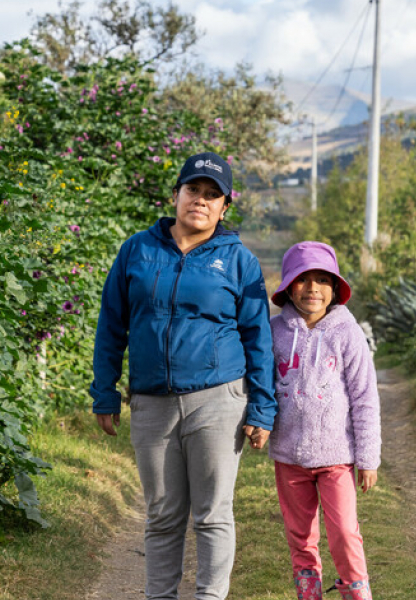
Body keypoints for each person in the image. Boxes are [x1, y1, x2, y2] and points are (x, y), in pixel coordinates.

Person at [89, 151, 277, 600]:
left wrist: (263, 408)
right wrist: (105, 392)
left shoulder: (239, 261)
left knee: (213, 513)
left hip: (219, 399)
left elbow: (259, 337)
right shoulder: (138, 249)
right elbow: (111, 323)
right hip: (151, 402)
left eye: (213, 195)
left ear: (224, 207)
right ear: (176, 195)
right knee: (163, 513)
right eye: (194, 190)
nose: (201, 200)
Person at [267, 241, 380, 600]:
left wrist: (368, 458)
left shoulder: (348, 334)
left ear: (334, 289)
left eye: (322, 279)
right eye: (303, 279)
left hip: (337, 457)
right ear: (288, 286)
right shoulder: (274, 332)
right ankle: (309, 593)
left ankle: (356, 591)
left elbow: (365, 399)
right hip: (289, 457)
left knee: (345, 531)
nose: (313, 288)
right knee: (300, 536)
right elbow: (261, 384)